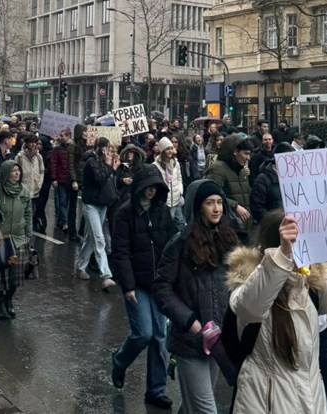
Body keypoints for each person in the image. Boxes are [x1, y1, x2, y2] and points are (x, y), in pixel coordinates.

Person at [226, 208, 327, 412]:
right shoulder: (245, 288)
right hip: (264, 403)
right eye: (298, 243)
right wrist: (282, 257)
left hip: (311, 400)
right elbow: (251, 307)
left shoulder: (309, 290)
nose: (306, 250)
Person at [152, 179, 240, 414]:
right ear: (197, 206)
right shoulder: (180, 244)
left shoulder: (229, 240)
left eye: (220, 202)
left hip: (219, 340)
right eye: (209, 203)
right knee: (205, 410)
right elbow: (161, 289)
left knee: (193, 405)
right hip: (190, 342)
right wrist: (190, 321)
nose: (216, 208)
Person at [110, 164, 177, 410]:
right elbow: (121, 252)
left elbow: (172, 243)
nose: (151, 192)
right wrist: (127, 286)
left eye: (154, 187)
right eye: (147, 187)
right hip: (136, 284)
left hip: (158, 283)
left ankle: (156, 390)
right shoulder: (124, 213)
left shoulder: (162, 211)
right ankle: (119, 360)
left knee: (160, 336)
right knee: (143, 334)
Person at [0, 160, 33, 320]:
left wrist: (28, 233)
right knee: (0, 276)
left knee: (16, 276)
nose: (16, 174)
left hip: (19, 239)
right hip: (1, 240)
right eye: (13, 171)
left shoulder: (25, 191)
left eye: (18, 171)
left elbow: (28, 213)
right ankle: (0, 304)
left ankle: (8, 300)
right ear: (6, 173)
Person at [74, 137, 118, 289]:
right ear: (101, 148)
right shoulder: (91, 162)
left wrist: (112, 167)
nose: (110, 152)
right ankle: (106, 275)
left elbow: (109, 181)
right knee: (99, 239)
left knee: (90, 237)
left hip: (102, 203)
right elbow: (99, 179)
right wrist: (108, 166)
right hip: (91, 204)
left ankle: (80, 266)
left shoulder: (106, 162)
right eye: (108, 148)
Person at [205, 134, 253, 243]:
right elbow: (212, 194)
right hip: (227, 227)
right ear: (235, 152)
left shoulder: (241, 171)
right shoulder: (218, 169)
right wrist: (235, 206)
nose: (248, 158)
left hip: (243, 227)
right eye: (245, 153)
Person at [250, 142, 293, 223]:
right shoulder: (262, 180)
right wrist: (276, 222)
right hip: (273, 229)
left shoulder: (294, 177)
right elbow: (257, 208)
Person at [14, 134, 44, 233]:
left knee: (31, 212)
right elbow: (14, 171)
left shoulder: (39, 157)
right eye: (31, 142)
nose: (33, 145)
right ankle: (20, 233)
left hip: (35, 190)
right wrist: (18, 185)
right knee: (21, 213)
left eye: (35, 143)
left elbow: (41, 171)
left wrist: (39, 184)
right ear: (26, 144)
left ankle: (28, 235)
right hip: (23, 189)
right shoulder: (20, 156)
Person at [154, 137, 186, 231]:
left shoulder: (176, 162)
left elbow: (179, 178)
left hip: (177, 198)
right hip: (166, 202)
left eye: (171, 148)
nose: (170, 151)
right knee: (167, 225)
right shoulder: (156, 165)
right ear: (162, 150)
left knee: (181, 223)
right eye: (167, 149)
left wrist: (180, 191)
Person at [49, 128, 77, 236]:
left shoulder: (73, 148)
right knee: (62, 201)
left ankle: (64, 220)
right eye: (60, 135)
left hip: (70, 179)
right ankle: (65, 222)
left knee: (68, 202)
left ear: (68, 136)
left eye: (63, 136)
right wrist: (54, 178)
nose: (60, 137)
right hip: (61, 179)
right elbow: (53, 164)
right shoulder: (57, 149)